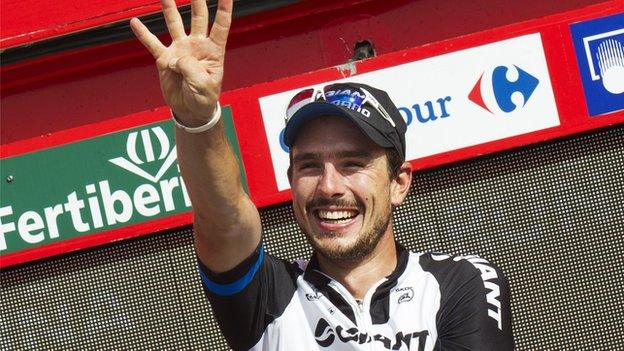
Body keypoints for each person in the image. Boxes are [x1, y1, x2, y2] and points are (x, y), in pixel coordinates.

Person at [130, 0, 514, 349]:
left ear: (398, 183)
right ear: (292, 180)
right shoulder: (268, 297)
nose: (329, 187)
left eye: (352, 164)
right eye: (310, 166)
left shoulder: (462, 282)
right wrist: (198, 120)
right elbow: (223, 217)